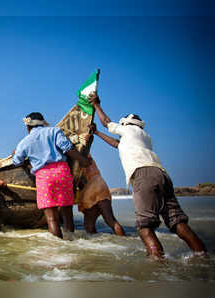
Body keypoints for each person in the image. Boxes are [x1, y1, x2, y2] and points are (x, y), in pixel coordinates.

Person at [88, 91, 206, 258]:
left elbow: (106, 122)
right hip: (162, 174)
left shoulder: (127, 130)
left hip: (143, 175)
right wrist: (98, 134)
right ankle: (202, 255)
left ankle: (157, 266)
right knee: (177, 222)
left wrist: (96, 105)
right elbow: (118, 145)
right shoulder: (144, 136)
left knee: (144, 228)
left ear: (125, 124)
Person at [12, 112, 91, 239]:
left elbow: (16, 161)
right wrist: (83, 160)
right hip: (62, 172)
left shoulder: (25, 142)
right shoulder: (54, 131)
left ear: (28, 127)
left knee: (52, 218)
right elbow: (67, 148)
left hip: (44, 178)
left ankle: (59, 249)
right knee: (67, 213)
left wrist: (15, 153)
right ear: (43, 123)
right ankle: (73, 243)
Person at [77, 149, 125, 236]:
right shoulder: (86, 153)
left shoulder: (76, 154)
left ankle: (95, 245)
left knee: (89, 226)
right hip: (101, 184)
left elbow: (79, 178)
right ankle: (125, 241)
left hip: (89, 189)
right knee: (111, 221)